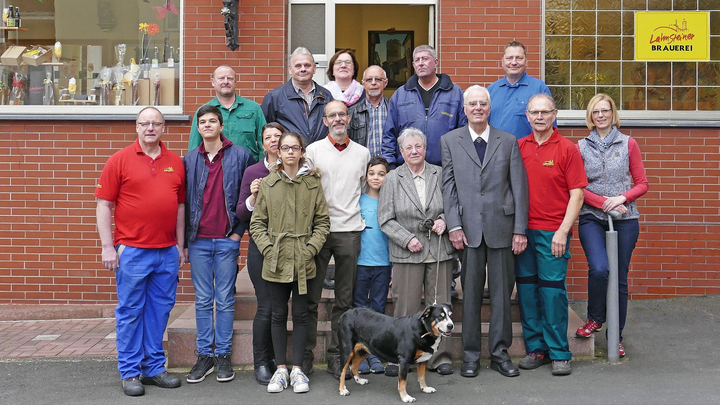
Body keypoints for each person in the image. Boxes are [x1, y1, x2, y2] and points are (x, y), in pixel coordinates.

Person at [95, 107, 185, 397]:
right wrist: (108, 246)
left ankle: (154, 368)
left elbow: (181, 207)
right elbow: (103, 205)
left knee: (159, 312)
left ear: (163, 128)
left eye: (156, 123)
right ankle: (130, 371)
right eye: (144, 123)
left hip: (167, 251)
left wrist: (180, 245)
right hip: (132, 251)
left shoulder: (176, 162)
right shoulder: (118, 160)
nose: (150, 128)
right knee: (131, 312)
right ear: (136, 127)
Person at [440, 85, 529, 378]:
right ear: (464, 109)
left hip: (503, 228)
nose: (477, 108)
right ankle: (470, 356)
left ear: (489, 108)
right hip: (468, 230)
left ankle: (501, 354)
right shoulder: (450, 140)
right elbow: (448, 186)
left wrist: (520, 229)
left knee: (503, 295)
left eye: (482, 104)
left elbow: (519, 187)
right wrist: (453, 225)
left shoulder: (508, 141)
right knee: (471, 296)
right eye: (472, 104)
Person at [249, 131, 330, 394]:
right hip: (275, 259)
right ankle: (280, 370)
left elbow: (322, 222)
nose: (290, 152)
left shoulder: (312, 184)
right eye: (285, 148)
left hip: (304, 258)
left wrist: (310, 249)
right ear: (279, 153)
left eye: (295, 148)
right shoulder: (269, 183)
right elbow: (257, 223)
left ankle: (298, 370)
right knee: (277, 313)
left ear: (302, 152)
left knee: (302, 313)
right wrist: (269, 250)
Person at [515, 94, 587, 376]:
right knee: (528, 292)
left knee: (552, 293)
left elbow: (577, 194)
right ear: (528, 116)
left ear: (554, 115)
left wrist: (563, 231)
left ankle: (559, 353)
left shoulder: (567, 149)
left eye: (545, 112)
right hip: (523, 233)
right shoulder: (519, 147)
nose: (540, 117)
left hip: (552, 233)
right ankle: (536, 349)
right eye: (535, 112)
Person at [183, 105, 254, 384]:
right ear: (198, 128)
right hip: (198, 241)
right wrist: (185, 241)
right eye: (203, 122)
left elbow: (248, 197)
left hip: (227, 239)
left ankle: (223, 355)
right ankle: (205, 356)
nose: (208, 125)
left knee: (224, 299)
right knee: (202, 300)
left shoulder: (240, 155)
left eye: (213, 120)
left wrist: (238, 232)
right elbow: (185, 202)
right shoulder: (189, 160)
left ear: (222, 126)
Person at [575, 94, 649, 358]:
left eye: (605, 111)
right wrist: (604, 203)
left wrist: (622, 199)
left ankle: (615, 335)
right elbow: (578, 187)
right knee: (599, 268)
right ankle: (595, 318)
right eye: (596, 112)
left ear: (612, 113)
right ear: (590, 116)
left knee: (618, 277)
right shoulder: (581, 147)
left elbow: (642, 183)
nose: (601, 116)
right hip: (591, 217)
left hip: (625, 219)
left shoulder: (628, 143)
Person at [378, 127, 455, 376]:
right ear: (401, 151)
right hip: (407, 251)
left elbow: (453, 205)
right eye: (408, 147)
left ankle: (439, 356)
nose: (414, 151)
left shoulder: (440, 173)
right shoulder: (392, 178)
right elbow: (385, 219)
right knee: (406, 307)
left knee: (440, 304)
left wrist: (444, 219)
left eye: (418, 146)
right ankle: (402, 356)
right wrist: (407, 238)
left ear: (425, 148)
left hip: (439, 248)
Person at [304, 100, 371, 380]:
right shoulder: (313, 151)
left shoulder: (363, 153)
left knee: (344, 301)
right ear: (325, 121)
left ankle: (336, 357)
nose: (338, 119)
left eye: (342, 114)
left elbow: (365, 189)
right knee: (310, 298)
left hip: (349, 231)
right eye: (332, 115)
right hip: (319, 231)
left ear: (349, 118)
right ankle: (304, 357)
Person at [236, 122, 285, 385]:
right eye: (269, 137)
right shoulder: (253, 172)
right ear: (262, 143)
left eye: (279, 136)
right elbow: (241, 213)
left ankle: (280, 360)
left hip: (287, 248)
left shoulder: (295, 169)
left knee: (280, 307)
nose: (274, 141)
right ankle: (261, 361)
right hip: (261, 249)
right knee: (265, 306)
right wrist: (254, 196)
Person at [381, 45, 467, 167]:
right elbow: (389, 134)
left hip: (444, 169)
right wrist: (390, 165)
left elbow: (463, 133)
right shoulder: (400, 95)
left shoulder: (455, 93)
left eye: (425, 59)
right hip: (407, 169)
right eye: (417, 60)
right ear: (413, 65)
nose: (421, 63)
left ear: (436, 62)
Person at [353, 156, 391, 375]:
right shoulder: (358, 201)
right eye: (372, 173)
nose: (376, 177)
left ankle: (375, 352)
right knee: (360, 308)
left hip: (383, 265)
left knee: (378, 309)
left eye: (381, 173)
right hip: (361, 264)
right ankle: (361, 353)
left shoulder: (389, 202)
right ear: (366, 176)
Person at [188, 65, 266, 161]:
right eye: (221, 78)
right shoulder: (204, 111)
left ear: (235, 82)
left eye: (229, 78)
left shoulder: (253, 108)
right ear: (213, 82)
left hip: (248, 169)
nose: (225, 82)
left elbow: (265, 142)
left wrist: (262, 167)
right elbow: (194, 147)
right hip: (216, 169)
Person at [262, 47, 333, 144]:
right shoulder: (274, 97)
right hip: (290, 156)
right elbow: (265, 131)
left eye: (307, 65)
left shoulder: (326, 96)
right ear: (290, 69)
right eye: (298, 66)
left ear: (314, 68)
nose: (303, 69)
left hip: (320, 156)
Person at [488, 41, 553, 139]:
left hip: (528, 152)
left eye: (519, 58)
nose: (514, 62)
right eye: (509, 58)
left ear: (526, 62)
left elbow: (550, 126)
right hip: (497, 152)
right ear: (502, 62)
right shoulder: (492, 90)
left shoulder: (539, 88)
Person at [348, 65, 389, 157]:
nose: (373, 83)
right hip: (361, 166)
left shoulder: (394, 109)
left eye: (378, 79)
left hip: (389, 166)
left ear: (385, 83)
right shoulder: (352, 112)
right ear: (363, 83)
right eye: (369, 80)